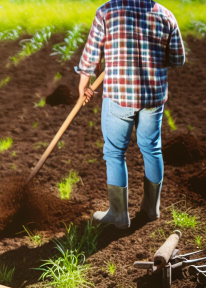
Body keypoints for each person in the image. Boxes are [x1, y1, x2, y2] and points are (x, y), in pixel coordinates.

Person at [76, 0, 185, 229]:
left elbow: (91, 56)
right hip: (153, 98)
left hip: (119, 95)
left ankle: (118, 215)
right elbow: (178, 60)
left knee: (115, 152)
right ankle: (151, 208)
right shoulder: (166, 15)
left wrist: (84, 83)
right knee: (151, 148)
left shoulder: (106, 11)